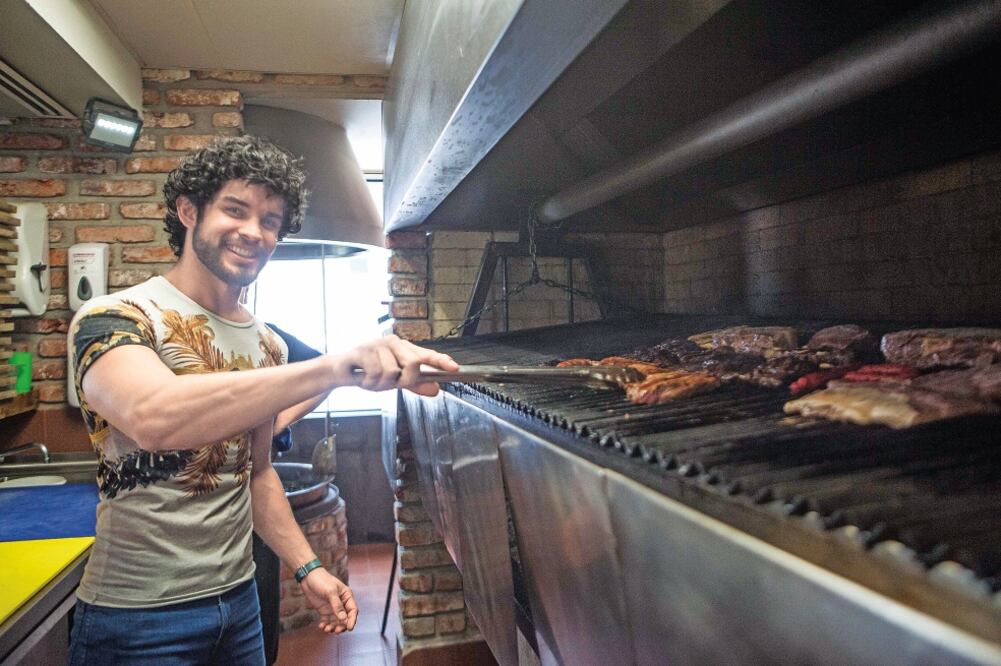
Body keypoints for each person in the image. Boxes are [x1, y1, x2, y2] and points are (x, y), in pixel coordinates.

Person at [66, 135, 457, 665]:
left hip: (239, 605)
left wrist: (307, 567)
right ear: (188, 210)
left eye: (270, 221)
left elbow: (256, 474)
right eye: (235, 210)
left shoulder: (266, 344)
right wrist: (335, 365)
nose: (254, 232)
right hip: (136, 617)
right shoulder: (117, 317)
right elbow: (153, 417)